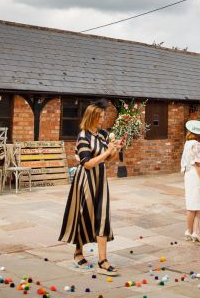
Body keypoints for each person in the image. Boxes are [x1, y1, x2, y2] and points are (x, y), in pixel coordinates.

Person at [59, 99, 123, 276]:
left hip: (101, 180)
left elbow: (108, 160)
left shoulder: (102, 134)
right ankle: (78, 252)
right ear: (91, 117)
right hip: (86, 181)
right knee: (84, 216)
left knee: (102, 217)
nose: (102, 120)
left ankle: (102, 260)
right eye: (100, 117)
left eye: (103, 116)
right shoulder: (82, 137)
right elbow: (87, 163)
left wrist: (115, 150)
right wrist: (106, 153)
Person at [181, 120, 200, 242]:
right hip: (195, 175)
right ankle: (189, 230)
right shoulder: (196, 144)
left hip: (189, 174)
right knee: (193, 206)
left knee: (196, 205)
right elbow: (197, 164)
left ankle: (196, 232)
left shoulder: (188, 143)